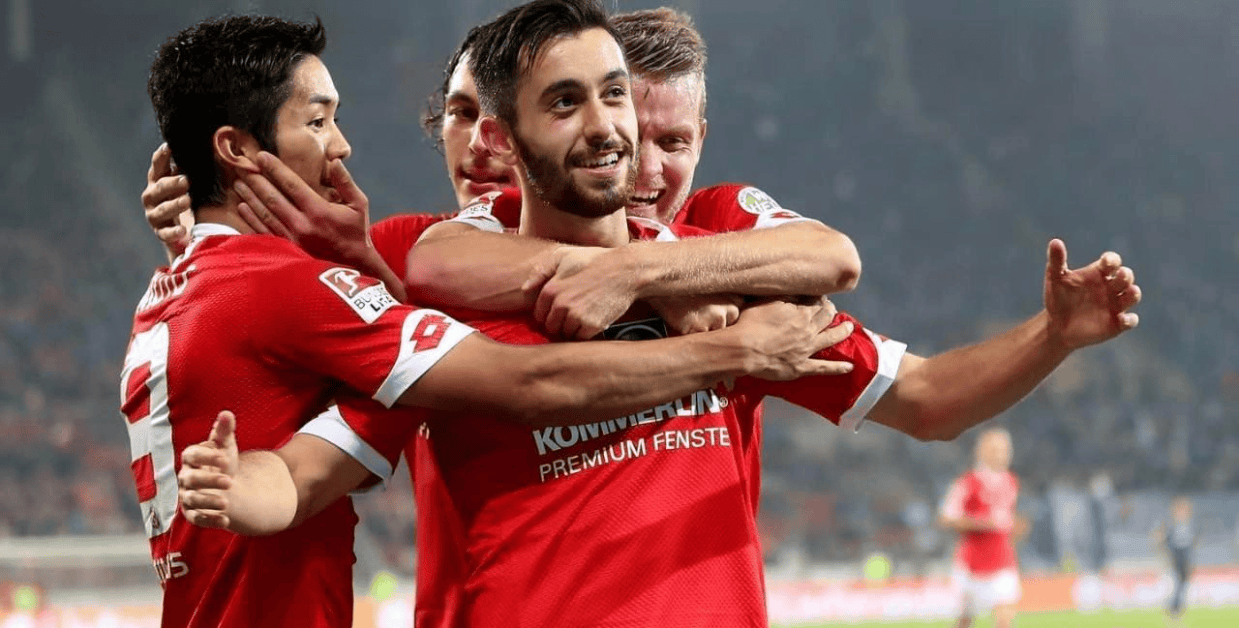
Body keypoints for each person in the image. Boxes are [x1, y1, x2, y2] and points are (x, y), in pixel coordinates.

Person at [181, 1, 1142, 625]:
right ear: (506, 141)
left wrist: (1051, 336)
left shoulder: (728, 276)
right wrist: (196, 210)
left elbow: (926, 398)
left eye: (616, 99)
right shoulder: (442, 293)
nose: (610, 129)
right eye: (565, 103)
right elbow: (312, 460)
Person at [125, 13, 856, 628]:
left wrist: (650, 272)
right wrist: (731, 344)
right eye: (460, 113)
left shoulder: (198, 285)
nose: (342, 145)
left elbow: (302, 464)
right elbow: (519, 377)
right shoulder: (349, 274)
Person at [939, 428, 1027, 628]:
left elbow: (1006, 520)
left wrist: (1015, 528)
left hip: (1003, 561)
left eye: (1005, 450)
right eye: (996, 450)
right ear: (982, 452)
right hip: (971, 565)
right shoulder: (968, 483)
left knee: (1005, 619)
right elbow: (946, 518)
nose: (1002, 455)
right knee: (964, 621)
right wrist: (982, 523)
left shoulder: (1011, 481)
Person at [1154, 496, 1197, 624]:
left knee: (1182, 584)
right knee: (1174, 584)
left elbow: (1192, 544)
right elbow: (1162, 540)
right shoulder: (1170, 525)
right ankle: (1173, 608)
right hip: (1174, 560)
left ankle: (1177, 608)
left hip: (1184, 560)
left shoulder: (1190, 526)